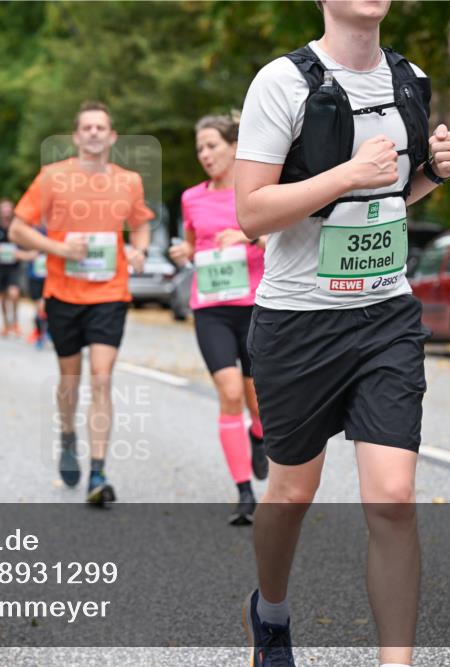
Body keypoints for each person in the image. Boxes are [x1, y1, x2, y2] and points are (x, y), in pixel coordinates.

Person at [233, 2, 450, 665]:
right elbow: (252, 212)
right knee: (290, 493)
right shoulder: (282, 82)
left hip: (385, 314)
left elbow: (391, 195)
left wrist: (434, 173)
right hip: (298, 321)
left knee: (392, 496)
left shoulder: (409, 79)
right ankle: (269, 613)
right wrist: (345, 175)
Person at [10, 100, 154, 506]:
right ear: (76, 137)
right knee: (70, 379)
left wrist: (140, 250)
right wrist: (58, 246)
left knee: (102, 378)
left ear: (112, 137)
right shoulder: (52, 178)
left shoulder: (129, 182)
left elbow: (140, 227)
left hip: (110, 293)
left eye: (100, 127)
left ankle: (98, 470)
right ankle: (68, 435)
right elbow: (18, 229)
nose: (93, 133)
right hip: (63, 294)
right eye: (86, 127)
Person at [169, 112, 268, 526]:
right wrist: (184, 253)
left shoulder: (258, 191)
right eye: (200, 149)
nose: (205, 155)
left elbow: (281, 238)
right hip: (210, 308)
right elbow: (194, 243)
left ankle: (259, 435)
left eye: (212, 145)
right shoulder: (191, 197)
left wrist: (247, 234)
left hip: (256, 306)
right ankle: (244, 492)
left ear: (233, 146)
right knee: (229, 393)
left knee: (258, 403)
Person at [0, 198, 27, 337]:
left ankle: (15, 321)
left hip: (14, 266)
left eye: (8, 209)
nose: (5, 212)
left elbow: (25, 244)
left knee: (14, 293)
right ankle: (6, 324)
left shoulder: (17, 226)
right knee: (3, 296)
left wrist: (19, 253)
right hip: (0, 267)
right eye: (3, 209)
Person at [23, 227, 49, 350]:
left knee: (45, 306)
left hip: (51, 277)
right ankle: (40, 332)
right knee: (39, 307)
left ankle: (44, 333)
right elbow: (17, 252)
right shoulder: (30, 229)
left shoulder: (55, 228)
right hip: (35, 276)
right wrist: (29, 255)